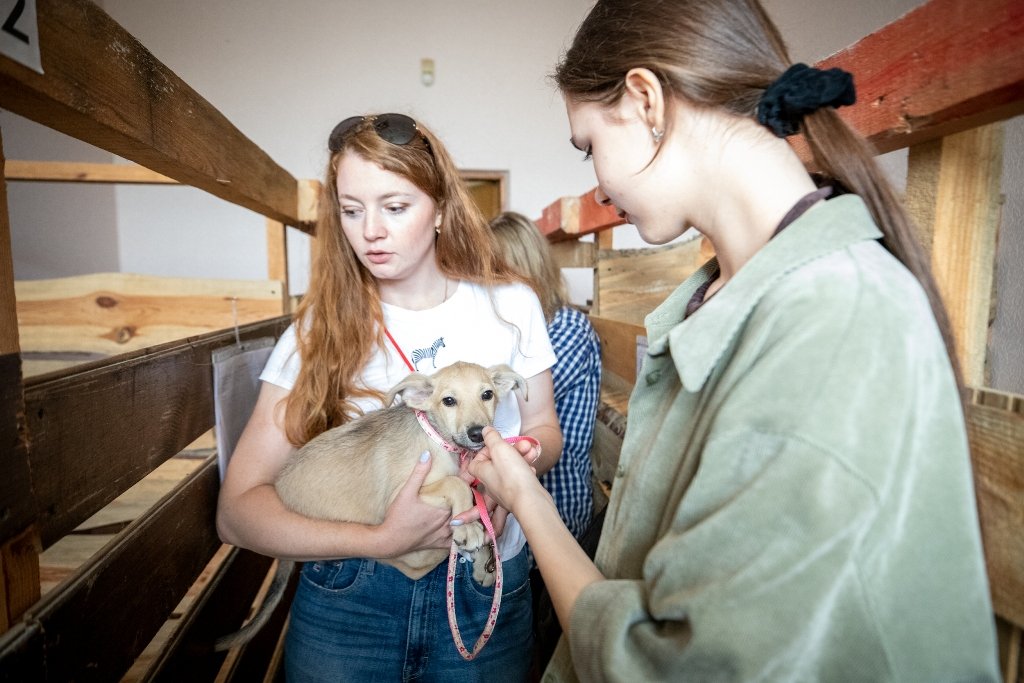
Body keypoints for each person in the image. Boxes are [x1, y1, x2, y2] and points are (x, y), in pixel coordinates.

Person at [467, 1, 1001, 681]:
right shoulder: (722, 294)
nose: (596, 182)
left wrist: (526, 499)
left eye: (590, 145)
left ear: (644, 99)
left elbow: (675, 663)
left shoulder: (831, 320)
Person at [216, 112, 563, 682]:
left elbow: (545, 429)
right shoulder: (316, 335)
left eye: (395, 207)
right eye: (351, 211)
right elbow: (237, 513)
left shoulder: (510, 305)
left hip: (485, 575)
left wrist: (514, 475)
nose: (370, 231)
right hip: (353, 596)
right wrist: (380, 538)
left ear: (442, 209)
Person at [490, 211, 601, 542]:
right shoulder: (509, 328)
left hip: (555, 505)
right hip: (512, 503)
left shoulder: (568, 327)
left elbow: (512, 404)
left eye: (495, 270)